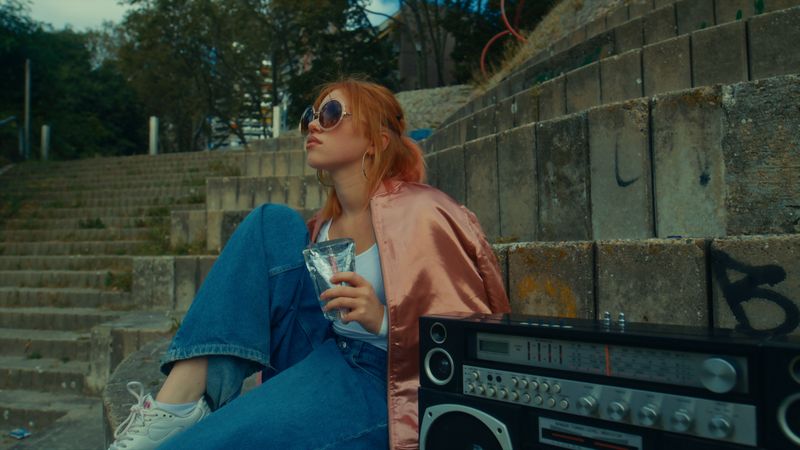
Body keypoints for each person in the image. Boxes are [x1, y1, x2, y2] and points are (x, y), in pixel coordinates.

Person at [108, 77, 510, 450]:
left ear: (377, 140)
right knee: (271, 222)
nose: (314, 125)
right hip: (325, 354)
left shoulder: (423, 212)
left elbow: (472, 341)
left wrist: (384, 320)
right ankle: (176, 406)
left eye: (331, 114)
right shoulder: (321, 227)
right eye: (310, 116)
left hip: (382, 381)